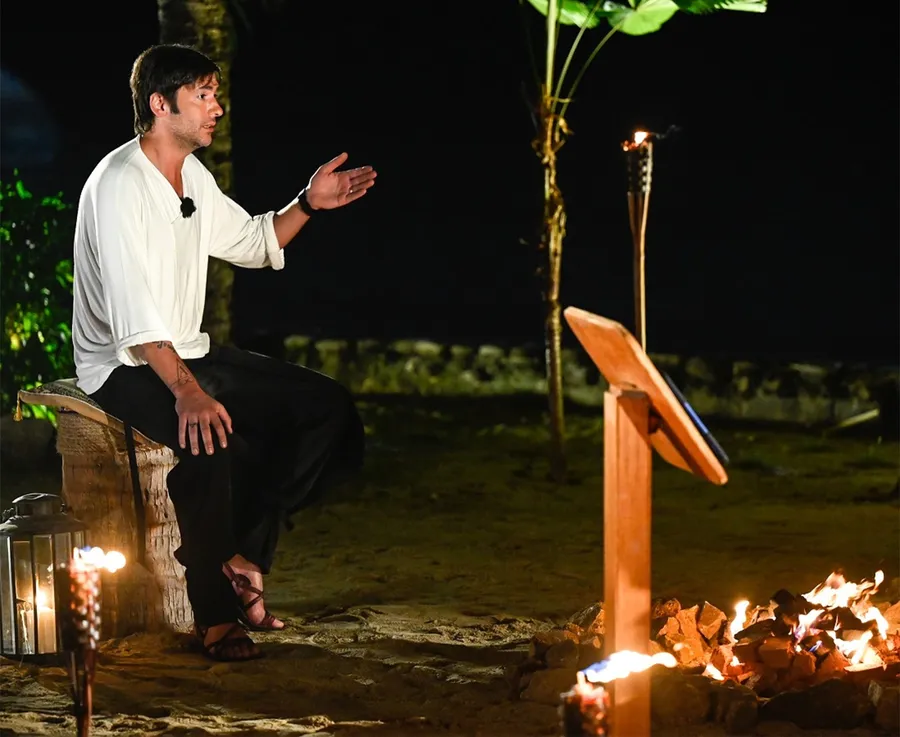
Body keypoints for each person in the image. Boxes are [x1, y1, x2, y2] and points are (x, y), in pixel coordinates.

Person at [71, 43, 376, 662]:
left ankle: (245, 556)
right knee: (207, 437)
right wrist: (189, 392)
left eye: (215, 94)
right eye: (203, 95)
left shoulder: (192, 174)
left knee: (325, 409)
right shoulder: (119, 184)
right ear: (161, 104)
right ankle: (215, 618)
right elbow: (133, 317)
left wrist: (308, 203)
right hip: (121, 363)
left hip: (186, 348)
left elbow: (254, 240)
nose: (218, 107)